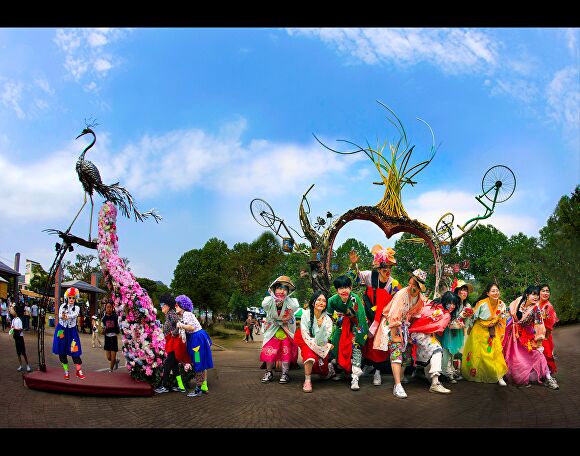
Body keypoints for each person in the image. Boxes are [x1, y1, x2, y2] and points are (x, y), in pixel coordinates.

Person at [348, 245, 400, 386]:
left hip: (382, 316)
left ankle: (378, 371)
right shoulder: (370, 275)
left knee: (380, 342)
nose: (388, 271)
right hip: (367, 312)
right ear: (378, 268)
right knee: (365, 341)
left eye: (390, 268)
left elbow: (398, 299)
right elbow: (353, 278)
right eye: (385, 268)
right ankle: (366, 366)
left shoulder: (393, 283)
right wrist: (353, 264)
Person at [373, 269, 428, 399]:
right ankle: (397, 385)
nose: (412, 287)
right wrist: (394, 336)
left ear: (420, 288)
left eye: (415, 285)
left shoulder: (420, 299)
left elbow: (416, 316)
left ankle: (401, 377)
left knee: (407, 353)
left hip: (405, 327)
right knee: (396, 351)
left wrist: (409, 334)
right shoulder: (402, 294)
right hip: (392, 325)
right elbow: (394, 316)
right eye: (411, 284)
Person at [503, 286, 558, 389]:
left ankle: (548, 377)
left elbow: (539, 325)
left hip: (526, 336)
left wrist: (538, 340)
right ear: (527, 295)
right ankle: (508, 375)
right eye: (533, 294)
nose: (536, 297)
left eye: (537, 294)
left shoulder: (536, 310)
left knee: (538, 354)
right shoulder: (519, 301)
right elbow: (509, 311)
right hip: (513, 335)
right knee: (513, 358)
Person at [327, 275, 369, 391]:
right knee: (335, 348)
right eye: (340, 288)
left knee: (355, 348)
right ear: (337, 290)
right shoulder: (332, 300)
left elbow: (361, 317)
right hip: (340, 326)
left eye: (346, 287)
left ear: (350, 288)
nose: (343, 290)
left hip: (355, 326)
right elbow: (328, 317)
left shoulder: (355, 299)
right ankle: (344, 372)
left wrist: (359, 337)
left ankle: (355, 377)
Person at [409, 291, 455, 394]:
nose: (452, 306)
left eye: (454, 303)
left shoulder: (430, 305)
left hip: (413, 334)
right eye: (450, 303)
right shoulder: (446, 314)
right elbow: (438, 328)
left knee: (430, 353)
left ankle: (423, 374)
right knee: (437, 350)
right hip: (420, 335)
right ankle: (435, 383)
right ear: (444, 301)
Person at [461, 283, 507, 385]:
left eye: (497, 290)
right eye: (493, 291)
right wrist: (470, 328)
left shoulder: (502, 305)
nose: (496, 293)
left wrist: (501, 333)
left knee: (494, 353)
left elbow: (502, 320)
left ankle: (498, 376)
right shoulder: (481, 303)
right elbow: (474, 317)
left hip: (492, 331)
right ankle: (474, 373)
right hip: (479, 330)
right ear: (488, 293)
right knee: (476, 353)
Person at [260, 276, 299, 384]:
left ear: (288, 292)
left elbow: (293, 309)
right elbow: (264, 305)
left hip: (286, 329)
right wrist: (274, 299)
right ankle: (268, 372)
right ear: (273, 289)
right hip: (272, 329)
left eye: (285, 289)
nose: (282, 291)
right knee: (269, 350)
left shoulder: (292, 302)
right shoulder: (268, 301)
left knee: (285, 351)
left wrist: (283, 302)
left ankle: (285, 373)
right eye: (279, 288)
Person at [294, 291, 335, 392]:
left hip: (320, 343)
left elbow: (323, 340)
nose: (321, 302)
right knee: (309, 355)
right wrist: (321, 346)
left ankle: (329, 368)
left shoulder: (328, 319)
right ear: (313, 302)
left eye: (324, 301)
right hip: (306, 340)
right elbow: (304, 333)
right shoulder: (305, 315)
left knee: (323, 374)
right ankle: (307, 380)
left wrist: (321, 327)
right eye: (319, 300)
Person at [175, 295, 213, 397]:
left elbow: (191, 328)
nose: (175, 307)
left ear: (182, 306)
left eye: (176, 305)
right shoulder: (185, 314)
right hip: (198, 339)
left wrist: (180, 325)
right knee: (200, 362)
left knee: (197, 362)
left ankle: (198, 389)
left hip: (196, 341)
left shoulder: (186, 314)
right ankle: (203, 386)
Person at [440, 280, 474, 383]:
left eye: (465, 290)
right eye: (462, 290)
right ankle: (445, 373)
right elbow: (449, 318)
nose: (464, 292)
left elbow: (467, 321)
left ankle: (450, 371)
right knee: (447, 351)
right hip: (450, 330)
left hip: (458, 330)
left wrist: (467, 316)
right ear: (457, 291)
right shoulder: (453, 303)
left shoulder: (466, 304)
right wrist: (462, 316)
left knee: (453, 351)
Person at [155, 299, 189, 394]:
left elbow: (180, 325)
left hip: (174, 343)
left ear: (168, 306)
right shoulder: (168, 315)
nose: (161, 306)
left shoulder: (171, 314)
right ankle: (181, 386)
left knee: (167, 364)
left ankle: (164, 386)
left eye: (162, 304)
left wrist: (172, 334)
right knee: (174, 367)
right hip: (171, 343)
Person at [52, 287, 85, 380]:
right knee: (61, 350)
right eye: (70, 297)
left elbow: (75, 315)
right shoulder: (62, 306)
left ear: (75, 298)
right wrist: (64, 316)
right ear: (67, 298)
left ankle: (79, 371)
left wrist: (67, 316)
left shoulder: (77, 307)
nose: (71, 299)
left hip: (71, 330)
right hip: (61, 330)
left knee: (74, 349)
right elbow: (60, 315)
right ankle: (66, 372)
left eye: (73, 298)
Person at [538, 284, 559, 378]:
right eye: (543, 290)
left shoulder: (548, 306)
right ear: (538, 292)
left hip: (544, 336)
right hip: (535, 334)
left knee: (545, 354)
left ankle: (547, 376)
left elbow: (549, 327)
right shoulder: (536, 303)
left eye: (547, 291)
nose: (546, 293)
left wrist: (545, 338)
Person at [9, 305, 32, 372]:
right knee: (18, 353)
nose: (11, 311)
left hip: (20, 338)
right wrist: (12, 330)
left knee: (23, 352)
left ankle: (27, 365)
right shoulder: (13, 320)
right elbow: (12, 328)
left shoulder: (19, 320)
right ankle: (21, 365)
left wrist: (14, 329)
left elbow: (20, 329)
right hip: (16, 338)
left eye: (12, 310)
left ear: (15, 311)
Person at [102, 301, 121, 372]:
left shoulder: (115, 317)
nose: (109, 309)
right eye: (107, 307)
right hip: (107, 339)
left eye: (110, 307)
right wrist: (103, 330)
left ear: (112, 308)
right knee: (109, 358)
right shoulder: (104, 319)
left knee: (112, 358)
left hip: (113, 338)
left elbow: (118, 327)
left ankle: (111, 369)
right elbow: (102, 329)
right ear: (105, 308)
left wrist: (118, 329)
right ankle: (116, 361)